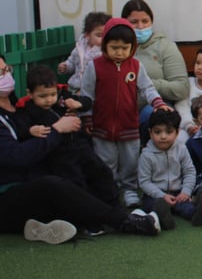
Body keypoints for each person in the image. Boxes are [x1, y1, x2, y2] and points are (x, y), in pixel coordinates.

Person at [0, 54, 160, 241]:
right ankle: (124, 221)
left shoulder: (18, 106)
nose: (6, 76)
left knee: (93, 173)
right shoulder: (25, 111)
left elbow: (80, 103)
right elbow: (17, 156)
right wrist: (57, 130)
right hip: (11, 193)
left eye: (6, 70)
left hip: (39, 176)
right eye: (1, 73)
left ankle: (54, 224)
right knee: (57, 186)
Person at [80, 17, 170, 208]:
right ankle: (110, 191)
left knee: (130, 160)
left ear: (132, 47)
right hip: (102, 127)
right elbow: (87, 95)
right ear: (105, 45)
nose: (119, 52)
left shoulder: (136, 66)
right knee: (106, 162)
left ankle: (129, 189)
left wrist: (158, 103)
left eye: (124, 47)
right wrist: (87, 119)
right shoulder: (94, 66)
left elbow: (147, 88)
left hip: (129, 125)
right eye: (114, 47)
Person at [14, 65, 119, 208]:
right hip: (59, 154)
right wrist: (31, 130)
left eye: (52, 94)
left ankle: (113, 206)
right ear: (30, 93)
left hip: (80, 146)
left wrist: (78, 103)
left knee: (102, 172)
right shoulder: (27, 110)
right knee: (76, 182)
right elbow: (20, 129)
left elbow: (87, 102)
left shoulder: (63, 97)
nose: (49, 100)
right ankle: (87, 216)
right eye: (42, 96)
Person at [121, 0, 190, 141]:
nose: (140, 27)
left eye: (145, 21)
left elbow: (182, 87)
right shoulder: (117, 47)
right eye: (134, 22)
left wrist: (146, 82)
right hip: (121, 107)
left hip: (153, 107)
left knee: (151, 115)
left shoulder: (165, 47)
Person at [139, 109, 202, 228]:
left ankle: (200, 213)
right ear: (150, 133)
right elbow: (144, 182)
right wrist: (162, 195)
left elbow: (189, 172)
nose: (163, 136)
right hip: (155, 194)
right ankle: (163, 216)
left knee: (188, 208)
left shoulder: (181, 149)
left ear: (177, 132)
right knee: (152, 206)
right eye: (158, 132)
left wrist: (185, 192)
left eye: (168, 132)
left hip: (178, 193)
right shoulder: (146, 155)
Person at [57, 11, 110, 93]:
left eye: (106, 35)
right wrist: (66, 66)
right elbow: (72, 62)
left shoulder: (105, 51)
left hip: (93, 88)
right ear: (87, 35)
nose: (103, 39)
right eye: (99, 35)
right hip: (75, 85)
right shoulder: (80, 47)